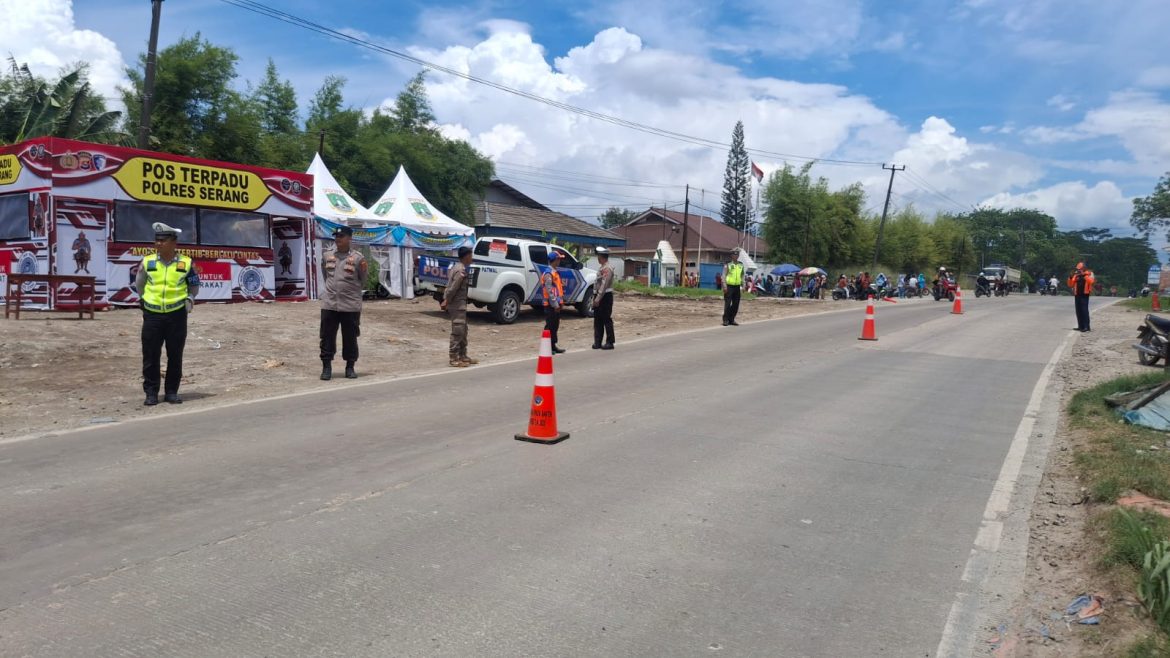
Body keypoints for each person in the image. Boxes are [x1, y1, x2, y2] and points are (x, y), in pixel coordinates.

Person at [135, 222, 200, 406]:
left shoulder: (185, 263)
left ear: (173, 242)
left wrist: (190, 299)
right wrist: (144, 302)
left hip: (176, 315)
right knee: (150, 355)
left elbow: (194, 285)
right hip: (153, 315)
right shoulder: (148, 262)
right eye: (157, 240)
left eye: (163, 240)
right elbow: (139, 284)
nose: (158, 244)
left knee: (175, 355)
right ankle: (151, 393)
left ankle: (171, 392)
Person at [319, 225, 367, 380]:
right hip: (330, 304)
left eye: (341, 236)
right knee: (326, 337)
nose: (337, 239)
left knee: (350, 337)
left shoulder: (358, 258)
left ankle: (350, 367)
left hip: (350, 305)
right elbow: (325, 275)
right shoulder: (327, 256)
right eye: (336, 236)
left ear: (349, 238)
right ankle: (326, 367)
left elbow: (363, 279)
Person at [441, 246, 476, 367]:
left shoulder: (458, 267)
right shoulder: (460, 271)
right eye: (471, 256)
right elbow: (452, 288)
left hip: (460, 305)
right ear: (466, 256)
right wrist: (446, 300)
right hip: (456, 305)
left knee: (463, 330)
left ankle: (463, 355)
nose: (472, 258)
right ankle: (454, 357)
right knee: (458, 331)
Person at [542, 250, 567, 353]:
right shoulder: (549, 274)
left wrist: (560, 302)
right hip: (550, 305)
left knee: (555, 326)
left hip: (555, 304)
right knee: (550, 326)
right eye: (558, 259)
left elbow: (557, 289)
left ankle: (553, 346)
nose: (560, 261)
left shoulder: (554, 272)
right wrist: (555, 304)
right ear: (554, 260)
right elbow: (549, 291)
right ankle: (547, 347)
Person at [592, 246, 616, 350]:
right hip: (599, 295)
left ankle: (610, 342)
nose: (597, 258)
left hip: (605, 296)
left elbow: (604, 285)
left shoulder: (607, 269)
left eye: (598, 256)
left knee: (606, 319)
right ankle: (598, 342)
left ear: (602, 257)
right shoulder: (602, 268)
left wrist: (597, 299)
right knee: (597, 320)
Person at [1068, 261, 1096, 332]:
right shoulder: (1076, 275)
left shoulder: (1090, 273)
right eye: (1078, 269)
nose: (1079, 270)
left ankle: (1087, 327)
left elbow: (1091, 282)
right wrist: (1071, 277)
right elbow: (1070, 285)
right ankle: (1080, 326)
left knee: (1084, 310)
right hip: (1077, 294)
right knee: (1078, 310)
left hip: (1085, 294)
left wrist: (1084, 275)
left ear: (1084, 268)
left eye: (1080, 269)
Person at [721, 248, 744, 326]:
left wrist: (743, 285)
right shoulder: (728, 264)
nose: (736, 256)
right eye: (734, 255)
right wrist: (724, 286)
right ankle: (725, 320)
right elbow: (723, 275)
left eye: (737, 255)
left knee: (736, 304)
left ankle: (732, 319)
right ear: (731, 256)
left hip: (737, 287)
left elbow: (742, 275)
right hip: (729, 286)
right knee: (727, 304)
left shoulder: (741, 264)